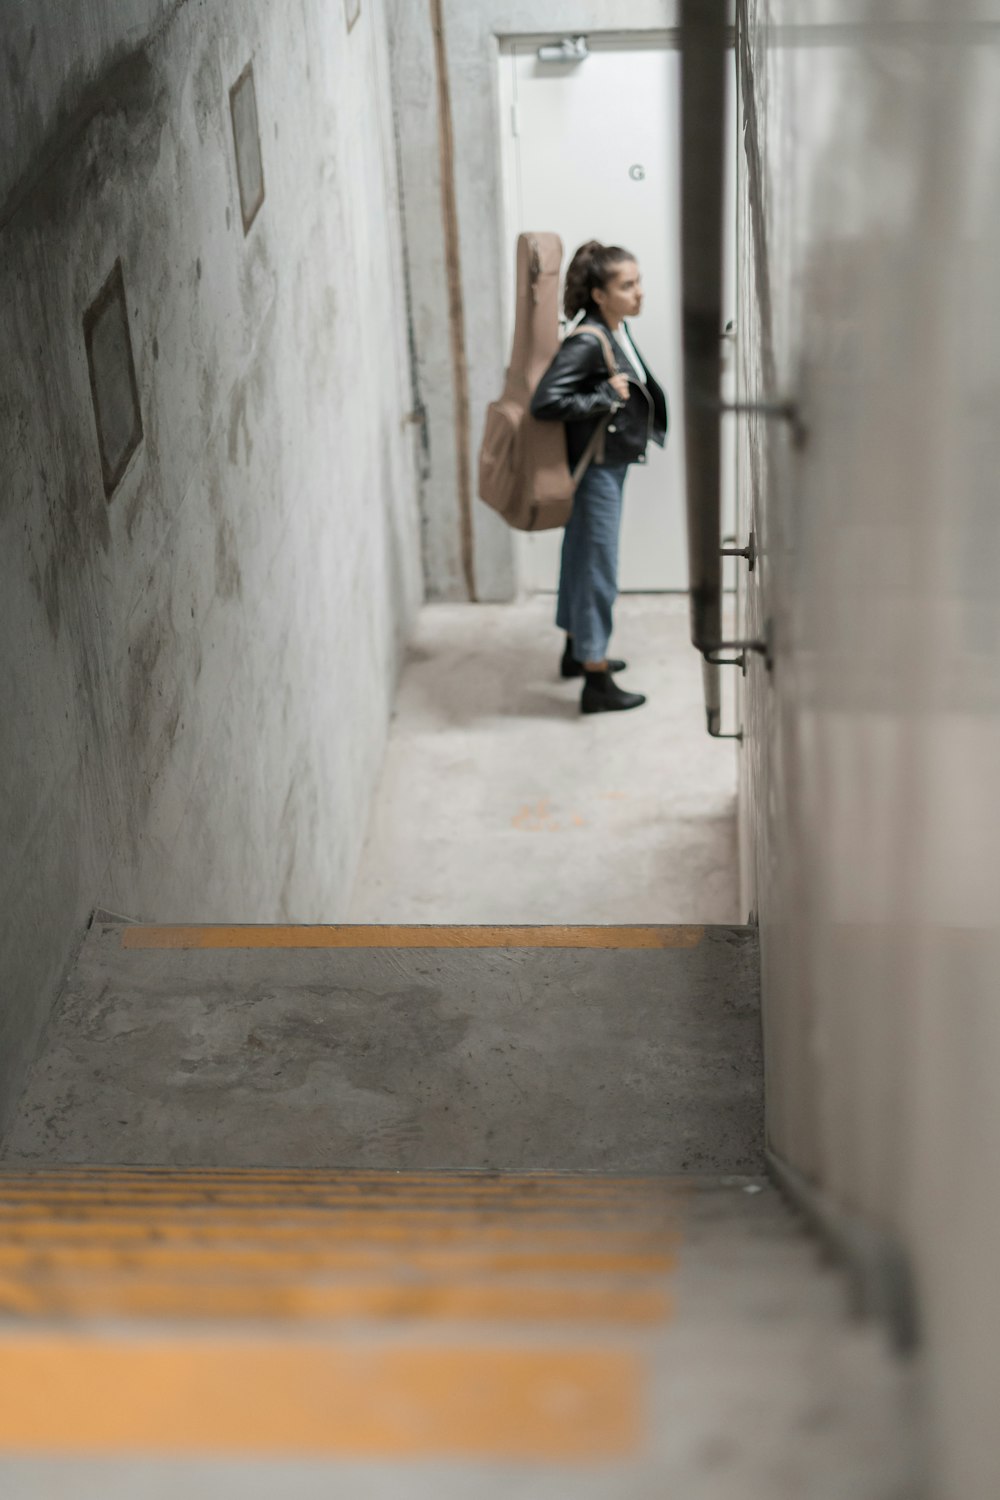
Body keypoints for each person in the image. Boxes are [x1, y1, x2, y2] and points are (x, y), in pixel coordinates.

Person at [531, 241, 668, 714]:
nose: (638, 293)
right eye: (626, 286)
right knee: (597, 569)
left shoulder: (613, 329)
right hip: (596, 473)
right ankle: (595, 679)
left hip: (608, 464)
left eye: (638, 282)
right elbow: (546, 402)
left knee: (581, 558)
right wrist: (603, 398)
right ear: (599, 294)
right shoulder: (588, 340)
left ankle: (576, 651)